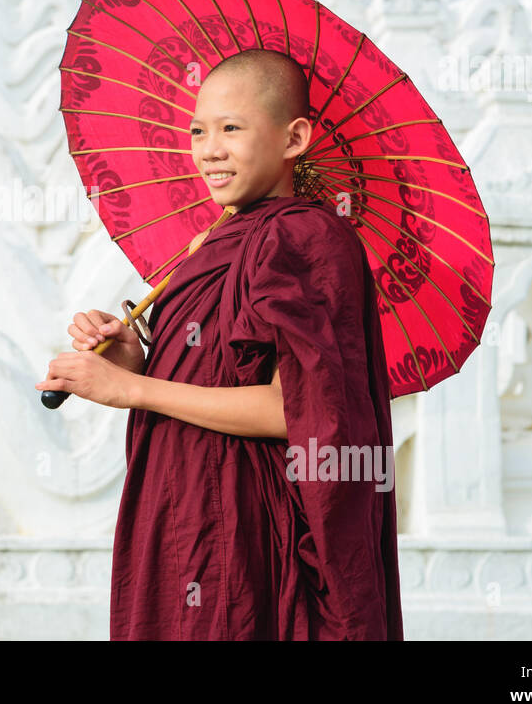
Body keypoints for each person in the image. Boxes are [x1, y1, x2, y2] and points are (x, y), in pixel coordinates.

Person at [36, 48, 404, 640]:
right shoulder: (214, 242)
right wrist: (135, 356)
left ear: (295, 138)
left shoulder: (304, 236)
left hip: (244, 529)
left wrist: (132, 387)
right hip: (182, 510)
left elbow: (295, 408)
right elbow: (217, 374)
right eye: (198, 131)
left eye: (232, 128)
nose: (210, 149)